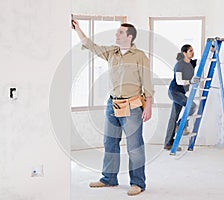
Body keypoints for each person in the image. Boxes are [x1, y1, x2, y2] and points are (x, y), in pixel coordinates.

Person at [71, 19, 154, 196]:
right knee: (110, 143)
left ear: (129, 37)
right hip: (112, 104)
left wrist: (149, 107)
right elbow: (90, 45)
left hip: (132, 106)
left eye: (120, 33)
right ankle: (109, 178)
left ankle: (138, 183)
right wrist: (78, 29)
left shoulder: (139, 56)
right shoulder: (112, 53)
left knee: (135, 147)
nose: (116, 35)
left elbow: (147, 82)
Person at [163, 44, 199, 151]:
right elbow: (179, 81)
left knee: (173, 117)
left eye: (193, 50)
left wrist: (211, 51)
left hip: (181, 93)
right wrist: (191, 81)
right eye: (190, 51)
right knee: (191, 106)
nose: (192, 52)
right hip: (174, 91)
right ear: (184, 53)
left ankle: (168, 143)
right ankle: (181, 125)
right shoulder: (179, 65)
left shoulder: (192, 63)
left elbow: (203, 61)